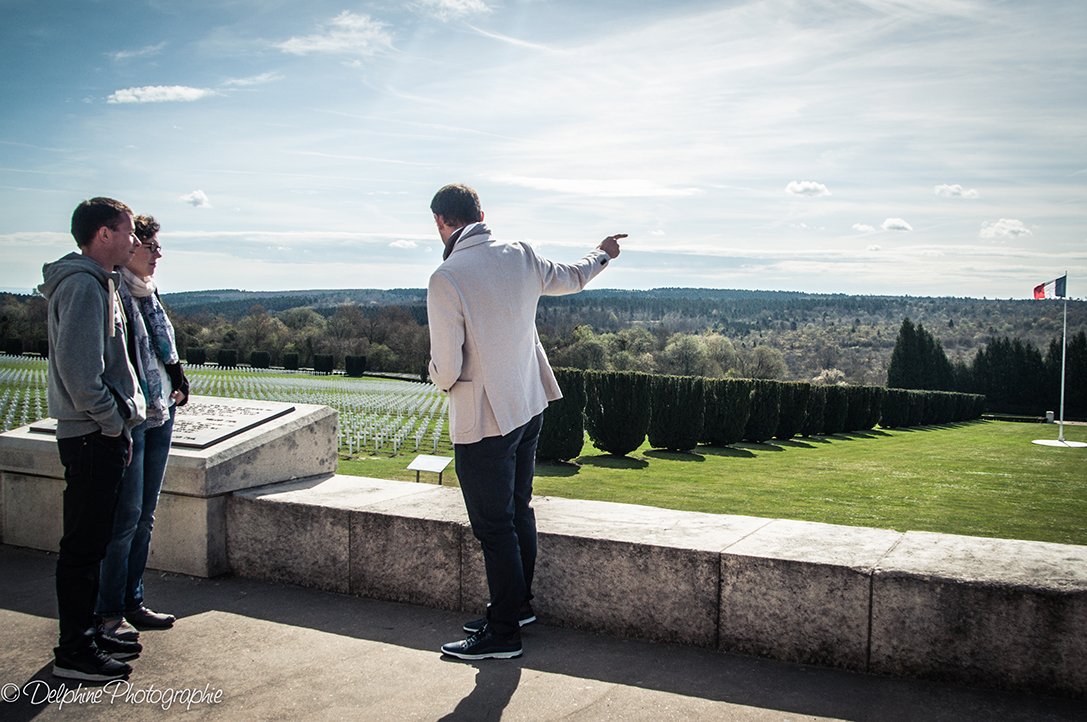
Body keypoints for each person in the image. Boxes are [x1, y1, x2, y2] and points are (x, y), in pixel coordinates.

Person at [426, 183, 623, 660]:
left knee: (494, 527)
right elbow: (574, 276)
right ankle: (517, 608)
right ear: (481, 213)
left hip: (485, 419)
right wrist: (602, 253)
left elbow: (447, 368)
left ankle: (503, 635)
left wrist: (434, 375)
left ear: (440, 224)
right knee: (519, 510)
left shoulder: (447, 277)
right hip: (529, 406)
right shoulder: (520, 254)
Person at [39, 197, 147, 681]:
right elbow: (81, 373)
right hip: (90, 436)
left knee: (96, 539)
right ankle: (74, 651)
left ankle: (88, 633)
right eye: (127, 231)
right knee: (83, 546)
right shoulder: (84, 286)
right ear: (103, 234)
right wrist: (111, 421)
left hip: (98, 433)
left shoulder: (97, 283)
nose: (134, 241)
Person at [96, 214, 188, 646]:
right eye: (150, 246)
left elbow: (158, 348)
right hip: (130, 419)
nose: (157, 255)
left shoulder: (147, 294)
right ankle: (108, 613)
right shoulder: (111, 293)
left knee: (144, 517)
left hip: (159, 412)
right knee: (124, 519)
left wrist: (176, 379)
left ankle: (132, 601)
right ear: (129, 248)